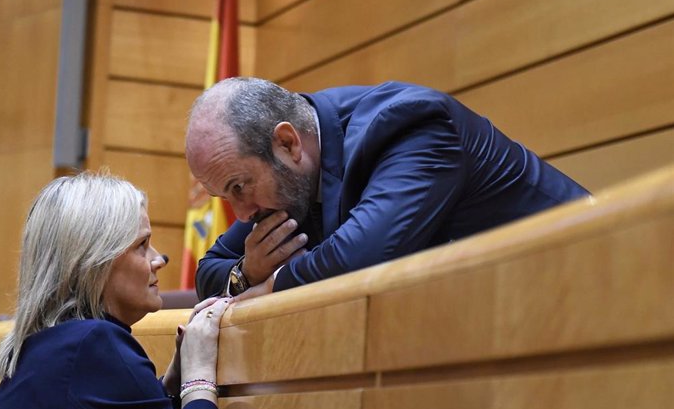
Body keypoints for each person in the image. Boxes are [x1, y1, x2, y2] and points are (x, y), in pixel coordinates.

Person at [185, 77, 589, 300]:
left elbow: (363, 254)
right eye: (226, 195)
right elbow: (210, 268)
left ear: (288, 143)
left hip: (586, 282)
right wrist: (246, 273)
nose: (240, 213)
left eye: (239, 187)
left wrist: (272, 285)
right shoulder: (288, 178)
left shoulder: (411, 124)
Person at [0, 172, 229, 409]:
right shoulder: (92, 344)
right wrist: (199, 376)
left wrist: (170, 388)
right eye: (142, 245)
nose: (158, 259)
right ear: (95, 260)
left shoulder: (51, 345)